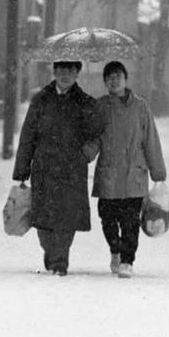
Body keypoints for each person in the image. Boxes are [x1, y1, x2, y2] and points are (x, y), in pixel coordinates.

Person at [12, 59, 100, 276]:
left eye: (70, 70)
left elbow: (96, 136)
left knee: (66, 217)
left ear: (77, 73)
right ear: (54, 72)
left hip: (72, 169)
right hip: (44, 167)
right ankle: (51, 253)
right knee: (42, 218)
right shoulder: (41, 100)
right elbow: (28, 136)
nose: (65, 74)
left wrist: (84, 155)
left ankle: (60, 261)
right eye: (60, 70)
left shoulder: (85, 102)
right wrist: (22, 169)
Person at [91, 60, 167, 279]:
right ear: (105, 82)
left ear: (125, 79)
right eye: (109, 78)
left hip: (134, 173)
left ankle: (127, 260)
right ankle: (115, 249)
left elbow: (150, 140)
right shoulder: (101, 107)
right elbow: (94, 138)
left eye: (118, 77)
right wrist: (83, 155)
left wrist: (158, 172)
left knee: (131, 221)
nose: (114, 81)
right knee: (107, 217)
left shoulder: (140, 107)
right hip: (109, 173)